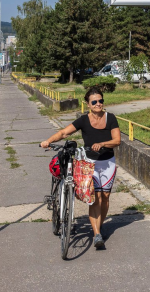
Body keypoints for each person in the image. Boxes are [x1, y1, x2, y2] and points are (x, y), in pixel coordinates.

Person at [40, 86, 121, 249]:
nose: (98, 104)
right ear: (88, 104)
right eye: (95, 102)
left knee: (105, 198)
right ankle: (97, 234)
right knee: (94, 198)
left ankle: (100, 224)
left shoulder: (110, 118)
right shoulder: (83, 120)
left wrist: (102, 144)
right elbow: (64, 133)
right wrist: (48, 141)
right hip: (90, 165)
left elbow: (117, 140)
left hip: (108, 163)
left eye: (101, 101)